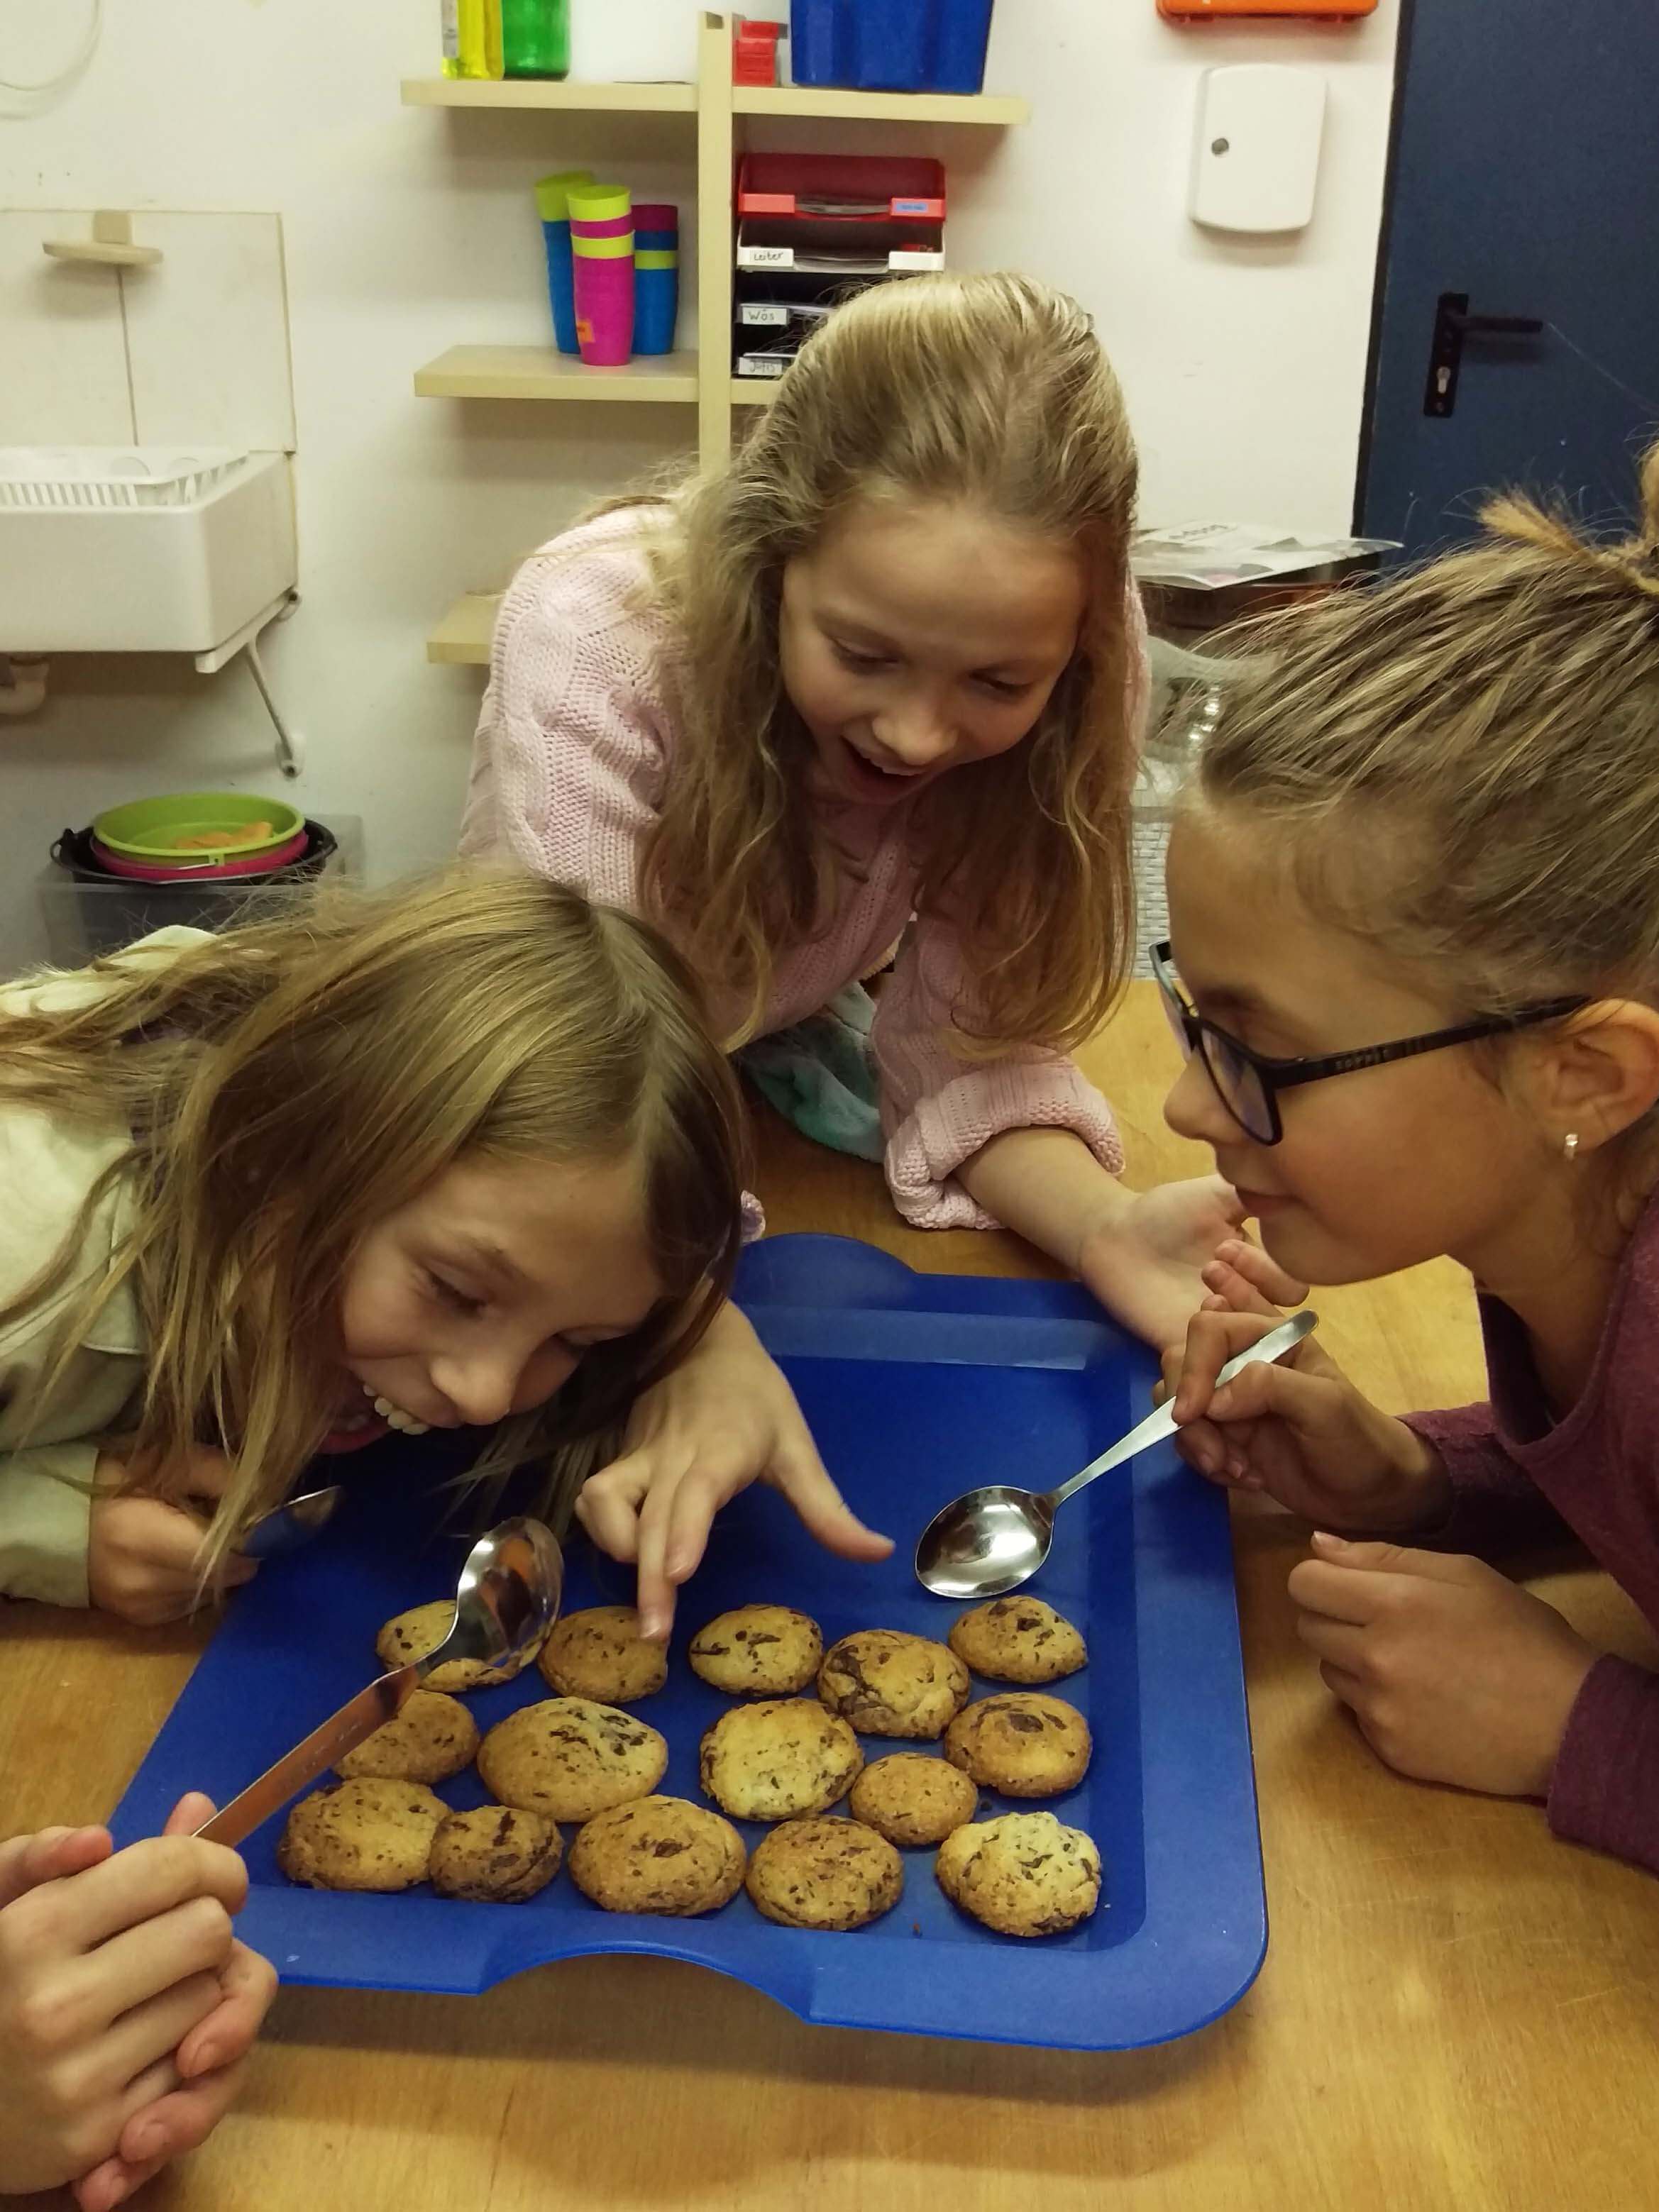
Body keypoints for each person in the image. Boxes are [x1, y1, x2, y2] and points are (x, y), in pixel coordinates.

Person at [460, 270, 1247, 1630]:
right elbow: (564, 1075)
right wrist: (687, 1320)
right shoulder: (599, 636)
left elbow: (967, 1040)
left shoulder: (1070, 648)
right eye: (863, 654)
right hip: (558, 1060)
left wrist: (1103, 1224)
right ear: (770, 561)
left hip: (754, 1027)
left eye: (996, 684)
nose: (921, 735)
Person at [0, 868, 746, 2196]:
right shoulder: (23, 1239)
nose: (479, 1391)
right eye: (455, 1291)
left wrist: (707, 1348)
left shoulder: (384, 1199)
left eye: (573, 1341)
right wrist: (41, 1523)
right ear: (291, 1145)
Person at [1155, 445, 1659, 1877]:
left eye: (1256, 1048)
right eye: (1195, 1022)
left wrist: (1574, 1723)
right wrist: (1413, 1481)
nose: (1193, 1109)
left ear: (1582, 1072)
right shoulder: (1567, 1215)